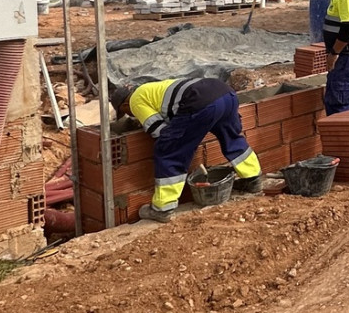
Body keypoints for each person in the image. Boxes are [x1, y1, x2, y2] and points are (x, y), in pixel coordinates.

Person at [111, 77, 262, 223]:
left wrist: (181, 143)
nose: (131, 115)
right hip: (225, 93)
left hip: (202, 102)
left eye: (126, 113)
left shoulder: (135, 100)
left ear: (125, 105)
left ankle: (162, 208)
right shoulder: (151, 88)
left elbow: (158, 131)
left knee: (168, 149)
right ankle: (253, 180)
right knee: (231, 137)